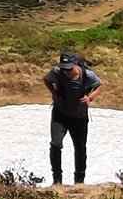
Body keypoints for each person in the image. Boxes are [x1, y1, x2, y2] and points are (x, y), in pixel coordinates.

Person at [43, 49, 102, 185]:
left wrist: (90, 97)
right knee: (55, 144)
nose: (66, 71)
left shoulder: (87, 74)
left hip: (79, 117)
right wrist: (54, 93)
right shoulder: (56, 72)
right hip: (60, 115)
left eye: (69, 68)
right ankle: (57, 181)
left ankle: (79, 181)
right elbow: (46, 80)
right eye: (64, 68)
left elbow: (101, 84)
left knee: (80, 148)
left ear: (75, 64)